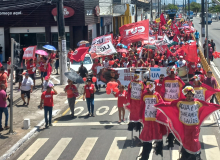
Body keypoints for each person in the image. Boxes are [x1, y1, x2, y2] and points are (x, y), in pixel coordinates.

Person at [155, 84, 220, 160]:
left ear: (193, 95)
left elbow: (208, 106)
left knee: (195, 143)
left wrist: (217, 106)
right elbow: (170, 105)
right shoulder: (180, 103)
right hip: (185, 129)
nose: (189, 96)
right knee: (186, 143)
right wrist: (160, 105)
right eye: (187, 94)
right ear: (185, 95)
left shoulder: (198, 102)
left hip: (195, 128)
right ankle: (185, 156)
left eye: (190, 94)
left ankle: (195, 156)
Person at [138, 80, 164, 160]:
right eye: (147, 88)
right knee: (147, 138)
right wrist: (140, 117)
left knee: (157, 135)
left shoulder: (157, 95)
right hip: (147, 119)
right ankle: (144, 156)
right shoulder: (144, 95)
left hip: (155, 120)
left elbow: (161, 105)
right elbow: (141, 106)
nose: (148, 90)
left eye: (149, 88)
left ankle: (159, 150)